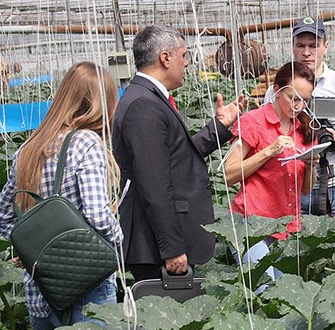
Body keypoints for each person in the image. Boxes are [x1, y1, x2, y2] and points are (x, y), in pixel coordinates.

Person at [113, 25, 246, 281]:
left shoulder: (146, 98)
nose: (187, 63)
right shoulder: (144, 105)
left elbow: (174, 158)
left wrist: (219, 127)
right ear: (165, 58)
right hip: (156, 249)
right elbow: (155, 185)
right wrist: (172, 248)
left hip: (157, 244)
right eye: (184, 55)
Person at [0, 62, 123, 329]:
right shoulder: (86, 143)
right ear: (103, 103)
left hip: (41, 291)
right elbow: (97, 216)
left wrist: (31, 249)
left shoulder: (28, 149)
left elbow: (4, 217)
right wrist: (119, 240)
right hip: (86, 289)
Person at [265, 16, 335, 217]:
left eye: (314, 45)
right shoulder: (277, 89)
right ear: (292, 47)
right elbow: (267, 130)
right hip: (294, 186)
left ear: (325, 46)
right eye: (300, 45)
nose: (306, 52)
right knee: (296, 247)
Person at [225, 61, 318, 290]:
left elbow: (306, 189)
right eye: (293, 98)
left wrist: (311, 164)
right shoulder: (253, 122)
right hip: (251, 224)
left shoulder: (305, 128)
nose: (298, 106)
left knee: (284, 295)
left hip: (285, 227)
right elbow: (229, 174)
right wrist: (269, 151)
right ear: (276, 91)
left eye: (305, 101)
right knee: (264, 290)